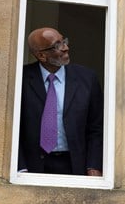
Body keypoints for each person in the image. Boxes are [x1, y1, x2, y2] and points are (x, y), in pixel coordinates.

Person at [18, 27, 103, 176]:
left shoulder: (87, 79)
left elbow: (96, 128)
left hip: (75, 164)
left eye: (64, 41)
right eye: (58, 45)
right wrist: (20, 167)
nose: (66, 48)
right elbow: (13, 128)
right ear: (41, 55)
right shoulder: (21, 78)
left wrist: (93, 166)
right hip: (32, 167)